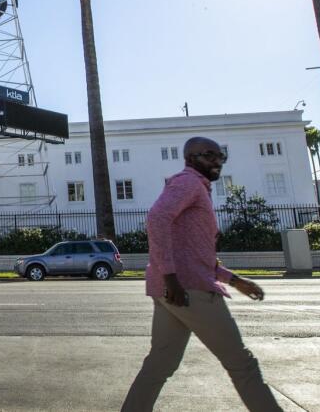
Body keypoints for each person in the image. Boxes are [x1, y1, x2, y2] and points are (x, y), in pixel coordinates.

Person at [121, 137, 282, 412]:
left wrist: (234, 280)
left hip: (174, 290)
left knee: (159, 364)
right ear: (190, 158)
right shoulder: (188, 182)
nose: (217, 161)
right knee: (242, 364)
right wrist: (171, 277)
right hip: (188, 289)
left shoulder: (197, 189)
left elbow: (196, 255)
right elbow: (157, 218)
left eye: (220, 156)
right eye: (209, 155)